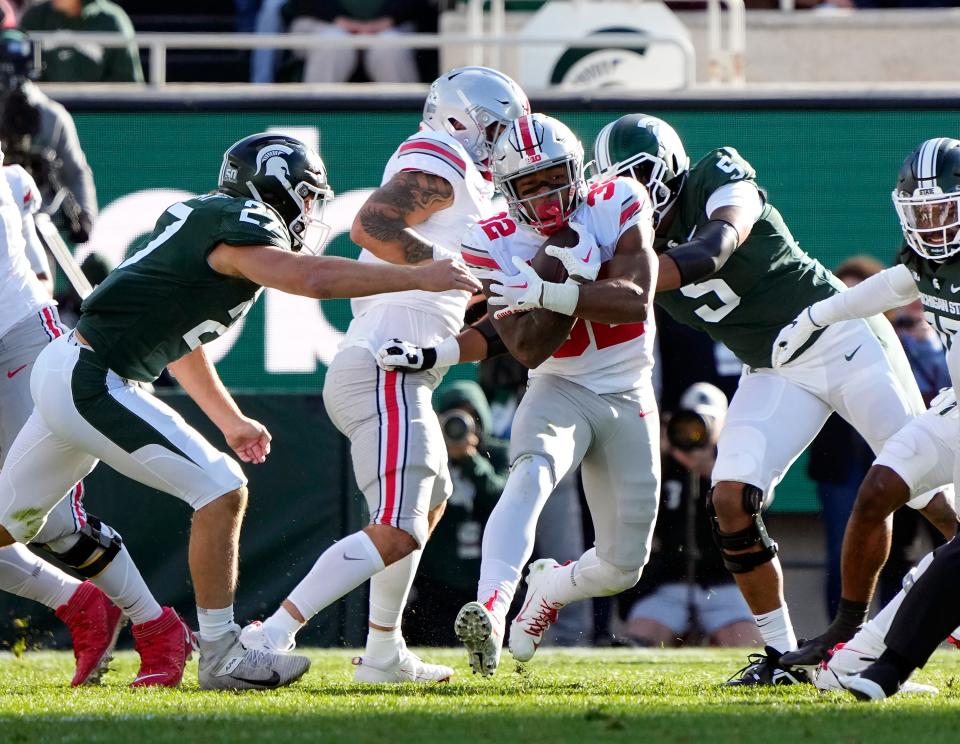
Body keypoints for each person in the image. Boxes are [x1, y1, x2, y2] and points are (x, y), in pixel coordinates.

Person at [0, 131, 478, 690]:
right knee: (222, 490)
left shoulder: (209, 220)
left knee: (9, 523)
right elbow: (314, 278)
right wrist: (419, 276)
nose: (310, 209)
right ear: (273, 186)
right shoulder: (242, 224)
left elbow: (182, 341)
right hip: (92, 377)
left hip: (75, 370)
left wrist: (229, 419)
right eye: (305, 194)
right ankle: (224, 653)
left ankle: (196, 643)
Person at [592, 114, 957, 686]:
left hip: (843, 339)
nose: (629, 197)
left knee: (927, 494)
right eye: (616, 186)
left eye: (637, 180)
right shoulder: (621, 236)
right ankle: (784, 656)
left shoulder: (717, 175)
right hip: (773, 364)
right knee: (732, 499)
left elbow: (716, 246)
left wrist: (620, 275)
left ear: (665, 170)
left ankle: (878, 639)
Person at [237, 68, 527, 684]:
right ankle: (267, 634)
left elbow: (454, 284)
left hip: (394, 365)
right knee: (398, 526)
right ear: (461, 121)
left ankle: (384, 651)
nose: (505, 142)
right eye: (497, 128)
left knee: (428, 505)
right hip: (384, 365)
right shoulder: (439, 159)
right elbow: (372, 226)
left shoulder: (471, 182)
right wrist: (434, 267)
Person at [380, 112, 660, 675]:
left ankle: (550, 588)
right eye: (528, 185)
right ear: (507, 191)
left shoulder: (619, 198)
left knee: (624, 566)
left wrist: (547, 290)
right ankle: (492, 603)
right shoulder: (491, 238)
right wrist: (548, 286)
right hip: (558, 383)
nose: (546, 195)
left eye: (553, 177)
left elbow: (635, 299)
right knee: (531, 472)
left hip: (628, 387)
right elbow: (525, 348)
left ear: (576, 170)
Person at [774, 137, 960, 670]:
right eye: (922, 212)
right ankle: (847, 627)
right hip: (954, 408)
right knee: (877, 490)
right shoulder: (926, 262)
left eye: (943, 208)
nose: (933, 224)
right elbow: (883, 289)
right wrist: (814, 318)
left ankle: (888, 655)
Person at [0, 151, 181, 687]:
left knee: (52, 521)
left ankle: (156, 626)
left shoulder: (10, 177)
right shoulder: (14, 180)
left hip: (21, 341)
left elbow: (38, 270)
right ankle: (79, 603)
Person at [622, 383, 760, 648]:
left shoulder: (740, 464)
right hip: (672, 582)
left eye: (707, 422)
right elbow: (630, 508)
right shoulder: (664, 466)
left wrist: (715, 472)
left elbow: (759, 508)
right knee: (638, 640)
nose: (695, 432)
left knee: (748, 645)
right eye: (690, 421)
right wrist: (655, 456)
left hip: (726, 583)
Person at [805, 256, 884, 618]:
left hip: (885, 458)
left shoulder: (891, 342)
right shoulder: (816, 346)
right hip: (838, 466)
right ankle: (840, 629)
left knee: (889, 549)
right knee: (842, 547)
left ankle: (888, 630)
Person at [403, 380, 508, 647]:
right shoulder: (425, 455)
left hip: (484, 578)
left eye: (469, 417)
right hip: (437, 579)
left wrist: (472, 460)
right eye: (453, 417)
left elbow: (504, 499)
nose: (459, 426)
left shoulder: (497, 454)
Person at [0, 29, 98, 243]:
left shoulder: (52, 116)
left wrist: (86, 216)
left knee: (41, 275)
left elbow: (76, 170)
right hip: (2, 217)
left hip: (39, 220)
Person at [284, 0, 421, 84]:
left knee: (390, 47)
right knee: (332, 44)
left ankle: (404, 123)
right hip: (322, 22)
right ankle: (314, 118)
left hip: (391, 25)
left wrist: (390, 18)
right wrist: (339, 19)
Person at [20, 0, 143, 83]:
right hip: (46, 116)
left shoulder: (111, 20)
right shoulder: (35, 18)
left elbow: (127, 81)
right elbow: (25, 77)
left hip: (97, 116)